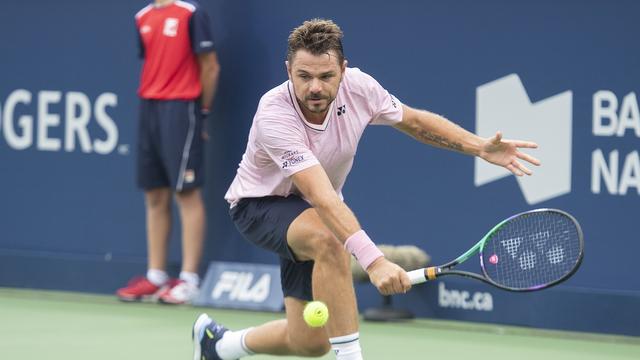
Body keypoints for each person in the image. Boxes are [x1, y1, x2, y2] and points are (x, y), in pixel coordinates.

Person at [193, 18, 539, 360]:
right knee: (329, 238)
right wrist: (374, 262)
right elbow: (321, 196)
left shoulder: (359, 87)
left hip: (309, 214)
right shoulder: (274, 115)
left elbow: (415, 122)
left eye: (326, 76)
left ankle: (219, 345)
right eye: (304, 76)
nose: (315, 87)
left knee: (310, 343)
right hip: (259, 206)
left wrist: (478, 146)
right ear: (288, 70)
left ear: (343, 70)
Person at [116, 0, 220, 305]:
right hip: (149, 107)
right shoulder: (142, 17)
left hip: (182, 107)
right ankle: (156, 276)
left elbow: (210, 67)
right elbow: (152, 61)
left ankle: (189, 280)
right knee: (155, 194)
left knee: (185, 193)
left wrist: (201, 112)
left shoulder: (191, 14)